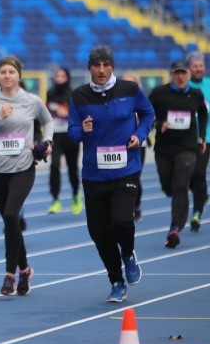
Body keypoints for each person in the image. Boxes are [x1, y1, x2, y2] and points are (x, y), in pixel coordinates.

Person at [68, 46, 154, 303]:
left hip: (125, 170)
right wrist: (81, 129)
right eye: (97, 65)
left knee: (121, 222)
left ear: (112, 66)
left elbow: (149, 113)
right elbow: (72, 134)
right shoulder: (79, 96)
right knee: (99, 233)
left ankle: (128, 254)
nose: (102, 70)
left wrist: (139, 136)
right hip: (94, 175)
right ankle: (116, 281)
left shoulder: (129, 90)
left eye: (106, 65)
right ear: (90, 68)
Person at [0, 56, 53, 296]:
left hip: (23, 166)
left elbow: (48, 121)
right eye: (3, 72)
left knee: (11, 215)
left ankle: (10, 274)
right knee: (11, 223)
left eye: (11, 72)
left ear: (19, 75)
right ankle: (25, 269)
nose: (7, 76)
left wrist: (48, 141)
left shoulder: (31, 101)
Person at [148, 61, 208, 249]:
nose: (180, 77)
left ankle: (175, 228)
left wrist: (202, 137)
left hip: (187, 147)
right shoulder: (159, 93)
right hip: (164, 149)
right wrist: (159, 124)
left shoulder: (196, 94)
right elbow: (146, 114)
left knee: (180, 184)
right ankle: (178, 197)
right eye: (177, 73)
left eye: (183, 73)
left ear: (189, 74)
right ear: (171, 75)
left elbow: (203, 114)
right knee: (169, 186)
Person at [186, 52, 210, 232]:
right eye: (195, 66)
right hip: (184, 139)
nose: (198, 69)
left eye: (201, 66)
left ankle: (197, 213)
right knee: (187, 176)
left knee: (199, 172)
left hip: (205, 138)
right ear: (189, 69)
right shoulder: (183, 85)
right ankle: (202, 195)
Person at [44, 67, 82, 215]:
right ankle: (55, 200)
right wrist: (55, 111)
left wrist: (67, 113)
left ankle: (76, 194)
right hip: (55, 136)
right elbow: (47, 110)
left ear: (68, 77)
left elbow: (79, 114)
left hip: (70, 135)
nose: (59, 78)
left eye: (62, 76)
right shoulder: (50, 93)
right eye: (57, 76)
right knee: (54, 165)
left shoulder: (74, 94)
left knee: (72, 168)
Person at [122, 71, 151, 221]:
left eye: (131, 82)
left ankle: (136, 205)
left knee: (135, 176)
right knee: (122, 177)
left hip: (139, 144)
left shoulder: (141, 101)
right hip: (121, 144)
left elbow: (150, 118)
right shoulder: (117, 100)